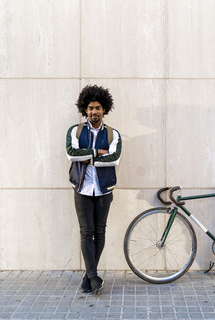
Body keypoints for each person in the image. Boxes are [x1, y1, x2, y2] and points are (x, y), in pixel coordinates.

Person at [66, 85, 122, 295]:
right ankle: (93, 276)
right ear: (85, 109)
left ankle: (89, 277)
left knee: (100, 232)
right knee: (86, 232)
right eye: (90, 108)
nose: (94, 112)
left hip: (104, 189)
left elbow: (114, 158)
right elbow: (71, 153)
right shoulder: (75, 131)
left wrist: (88, 157)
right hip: (81, 188)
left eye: (98, 108)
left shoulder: (112, 134)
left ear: (104, 109)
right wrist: (97, 154)